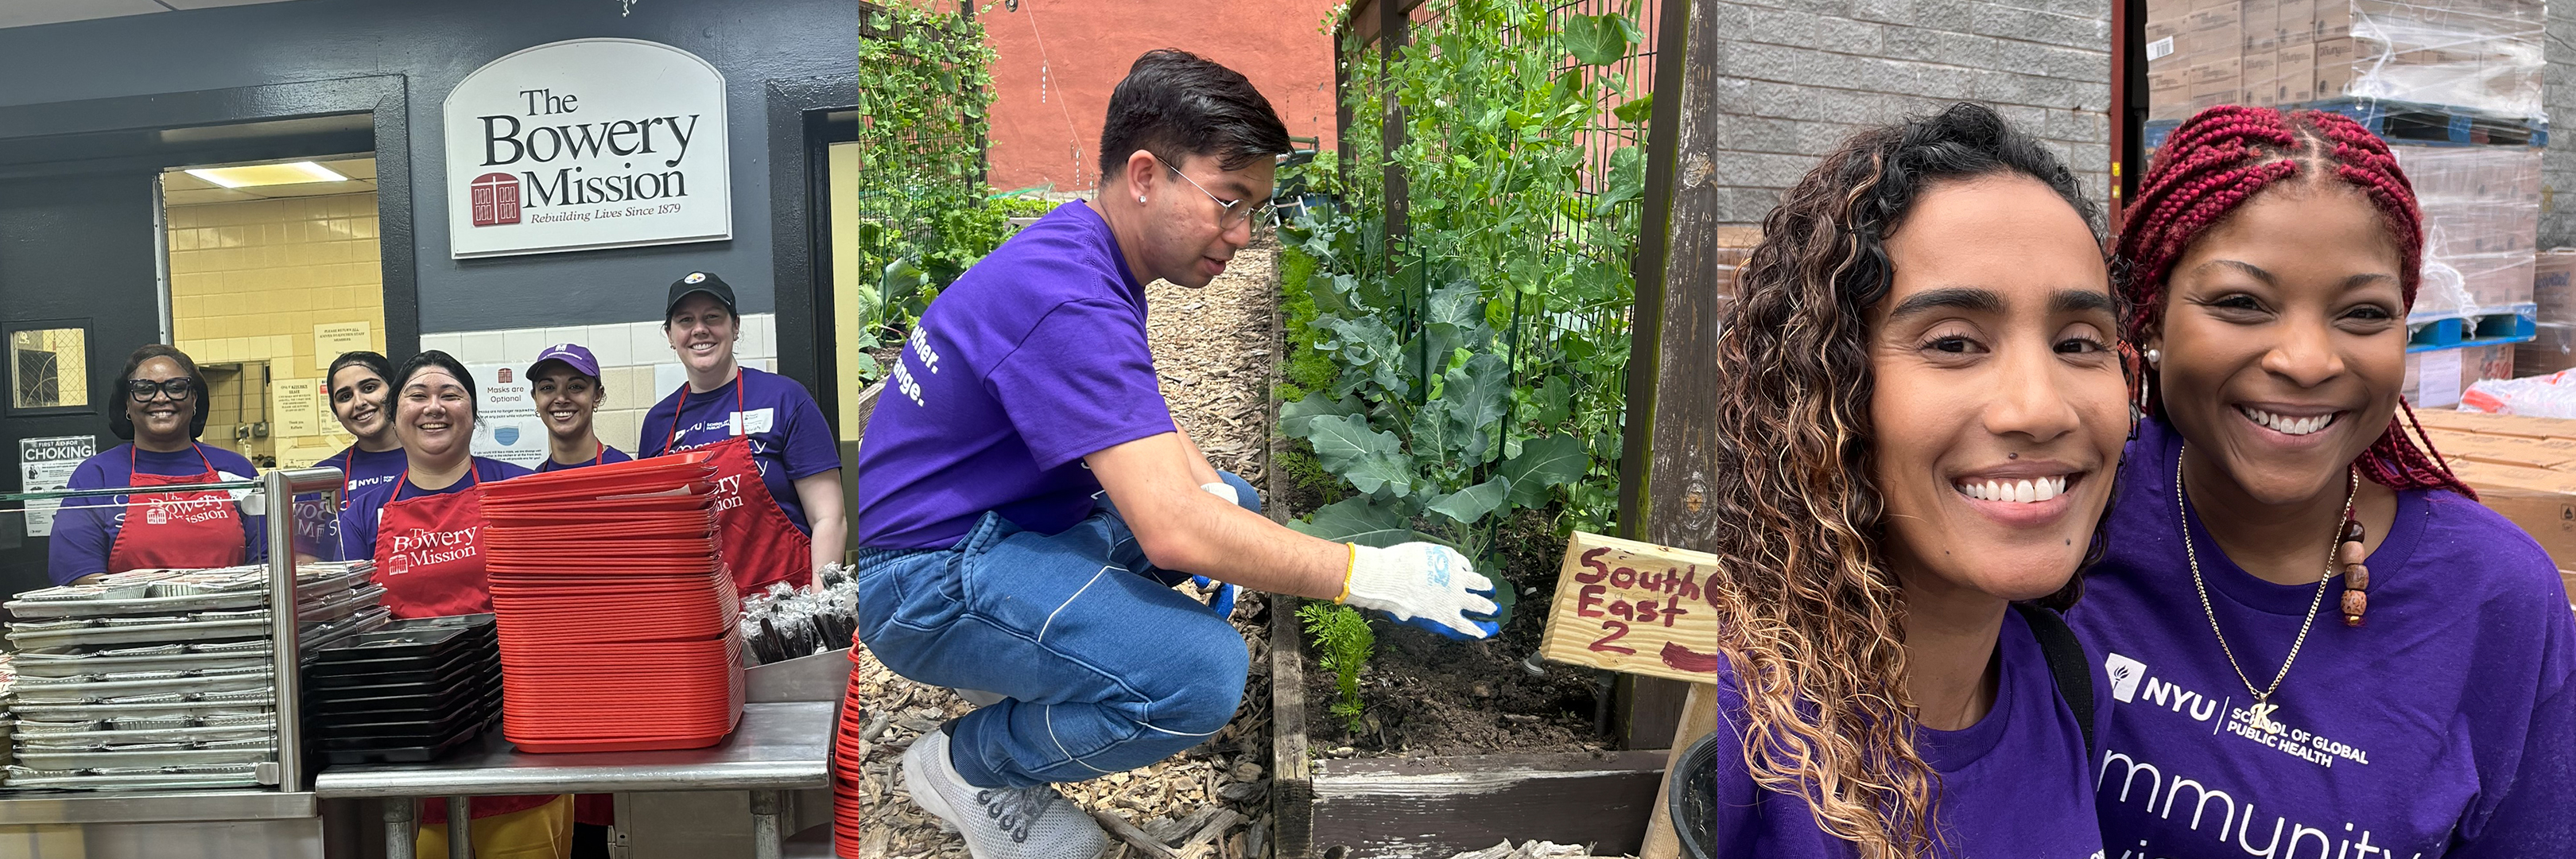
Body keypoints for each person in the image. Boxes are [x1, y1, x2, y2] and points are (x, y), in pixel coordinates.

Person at [847, 49, 1499, 859]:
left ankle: (1029, 661)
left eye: (1256, 208)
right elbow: (1171, 535)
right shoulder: (1070, 296)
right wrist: (1370, 575)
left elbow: (1143, 418)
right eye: (1231, 202)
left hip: (990, 527)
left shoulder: (1084, 249)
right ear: (1148, 174)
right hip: (921, 578)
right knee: (1199, 673)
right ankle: (969, 766)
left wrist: (1213, 500)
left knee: (1236, 506)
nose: (1243, 234)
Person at [2073, 105, 2576, 855]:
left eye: (2363, 313)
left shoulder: (2499, 599)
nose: (2307, 361)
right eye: (2242, 302)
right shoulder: (2073, 511)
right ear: (2149, 317)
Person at [1697, 103, 2124, 857]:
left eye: (2079, 343)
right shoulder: (1730, 721)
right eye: (1955, 342)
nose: (2040, 407)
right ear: (1820, 387)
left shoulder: (2070, 684)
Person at [336, 351, 564, 858]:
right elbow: (351, 627)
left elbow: (557, 606)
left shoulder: (517, 489)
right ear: (396, 416)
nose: (433, 407)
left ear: (474, 412)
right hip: (412, 739)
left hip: (518, 732)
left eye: (450, 394)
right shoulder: (364, 513)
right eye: (417, 396)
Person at [638, 271, 844, 592]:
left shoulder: (785, 399)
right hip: (701, 615)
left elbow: (829, 518)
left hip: (788, 617)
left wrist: (819, 612)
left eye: (712, 317)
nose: (699, 329)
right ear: (670, 335)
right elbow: (659, 535)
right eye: (685, 320)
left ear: (735, 326)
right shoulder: (657, 423)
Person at [47, 344, 261, 584]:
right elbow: (78, 573)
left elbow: (266, 562)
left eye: (176, 387)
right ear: (127, 404)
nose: (161, 398)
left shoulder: (236, 469)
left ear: (194, 398)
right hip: (133, 620)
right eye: (144, 389)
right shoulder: (96, 476)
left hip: (230, 617)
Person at [317, 351, 407, 501]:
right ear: (336, 412)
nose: (359, 403)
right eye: (345, 397)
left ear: (395, 392)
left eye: (369, 388)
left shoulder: (436, 462)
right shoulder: (321, 480)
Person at [528, 344, 631, 472]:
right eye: (547, 388)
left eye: (575, 386)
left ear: (597, 396)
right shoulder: (535, 479)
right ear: (536, 399)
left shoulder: (624, 470)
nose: (561, 399)